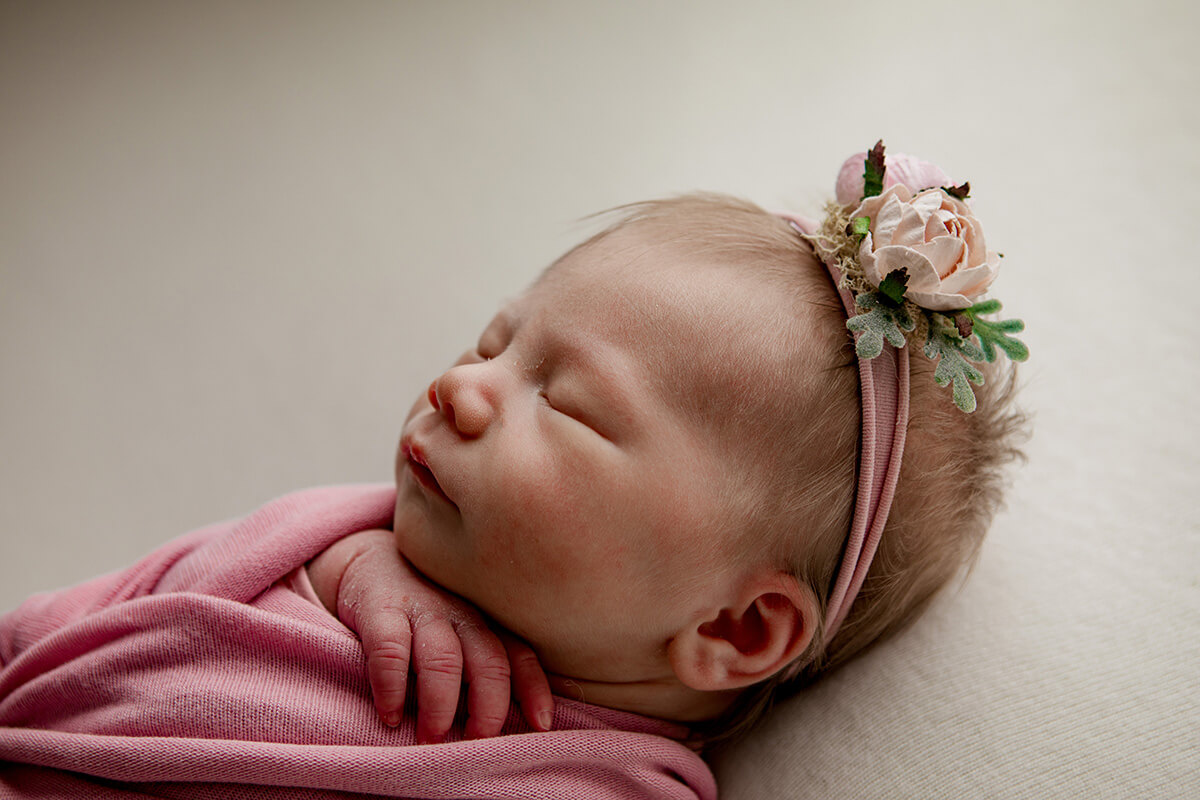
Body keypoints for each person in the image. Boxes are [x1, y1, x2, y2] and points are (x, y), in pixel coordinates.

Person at [0, 144, 1027, 798]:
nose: (463, 385)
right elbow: (122, 622)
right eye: (494, 340)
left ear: (734, 628)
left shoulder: (596, 781)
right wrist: (356, 565)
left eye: (570, 404)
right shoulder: (347, 548)